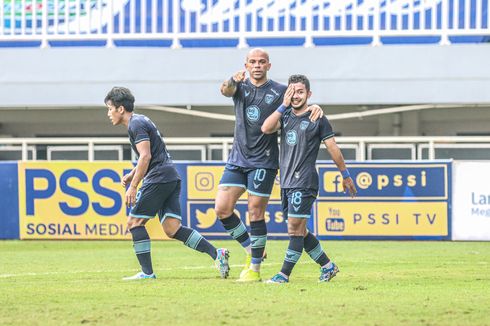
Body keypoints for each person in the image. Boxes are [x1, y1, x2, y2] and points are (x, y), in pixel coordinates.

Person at [218, 48, 324, 282]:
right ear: (246, 65)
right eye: (252, 62)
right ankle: (252, 249)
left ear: (269, 65)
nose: (257, 65)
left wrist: (316, 108)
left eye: (261, 62)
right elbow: (225, 90)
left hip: (264, 161)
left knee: (255, 212)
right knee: (222, 209)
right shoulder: (239, 85)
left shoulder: (279, 91)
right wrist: (231, 79)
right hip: (237, 158)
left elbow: (298, 103)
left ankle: (254, 270)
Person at [104, 86, 230, 280]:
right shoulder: (140, 120)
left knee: (134, 222)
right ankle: (217, 254)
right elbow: (150, 155)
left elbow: (145, 157)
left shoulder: (135, 124)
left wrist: (134, 186)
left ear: (121, 109)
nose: (108, 114)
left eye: (110, 108)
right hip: (170, 175)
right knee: (172, 228)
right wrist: (132, 174)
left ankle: (147, 273)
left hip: (159, 177)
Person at [261, 74, 357, 283]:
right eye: (292, 91)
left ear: (309, 94)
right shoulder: (284, 115)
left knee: (294, 228)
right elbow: (266, 128)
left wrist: (345, 174)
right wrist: (282, 105)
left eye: (300, 92)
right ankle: (328, 266)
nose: (296, 96)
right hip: (286, 182)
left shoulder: (317, 117)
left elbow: (332, 147)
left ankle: (283, 275)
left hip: (304, 182)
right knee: (300, 230)